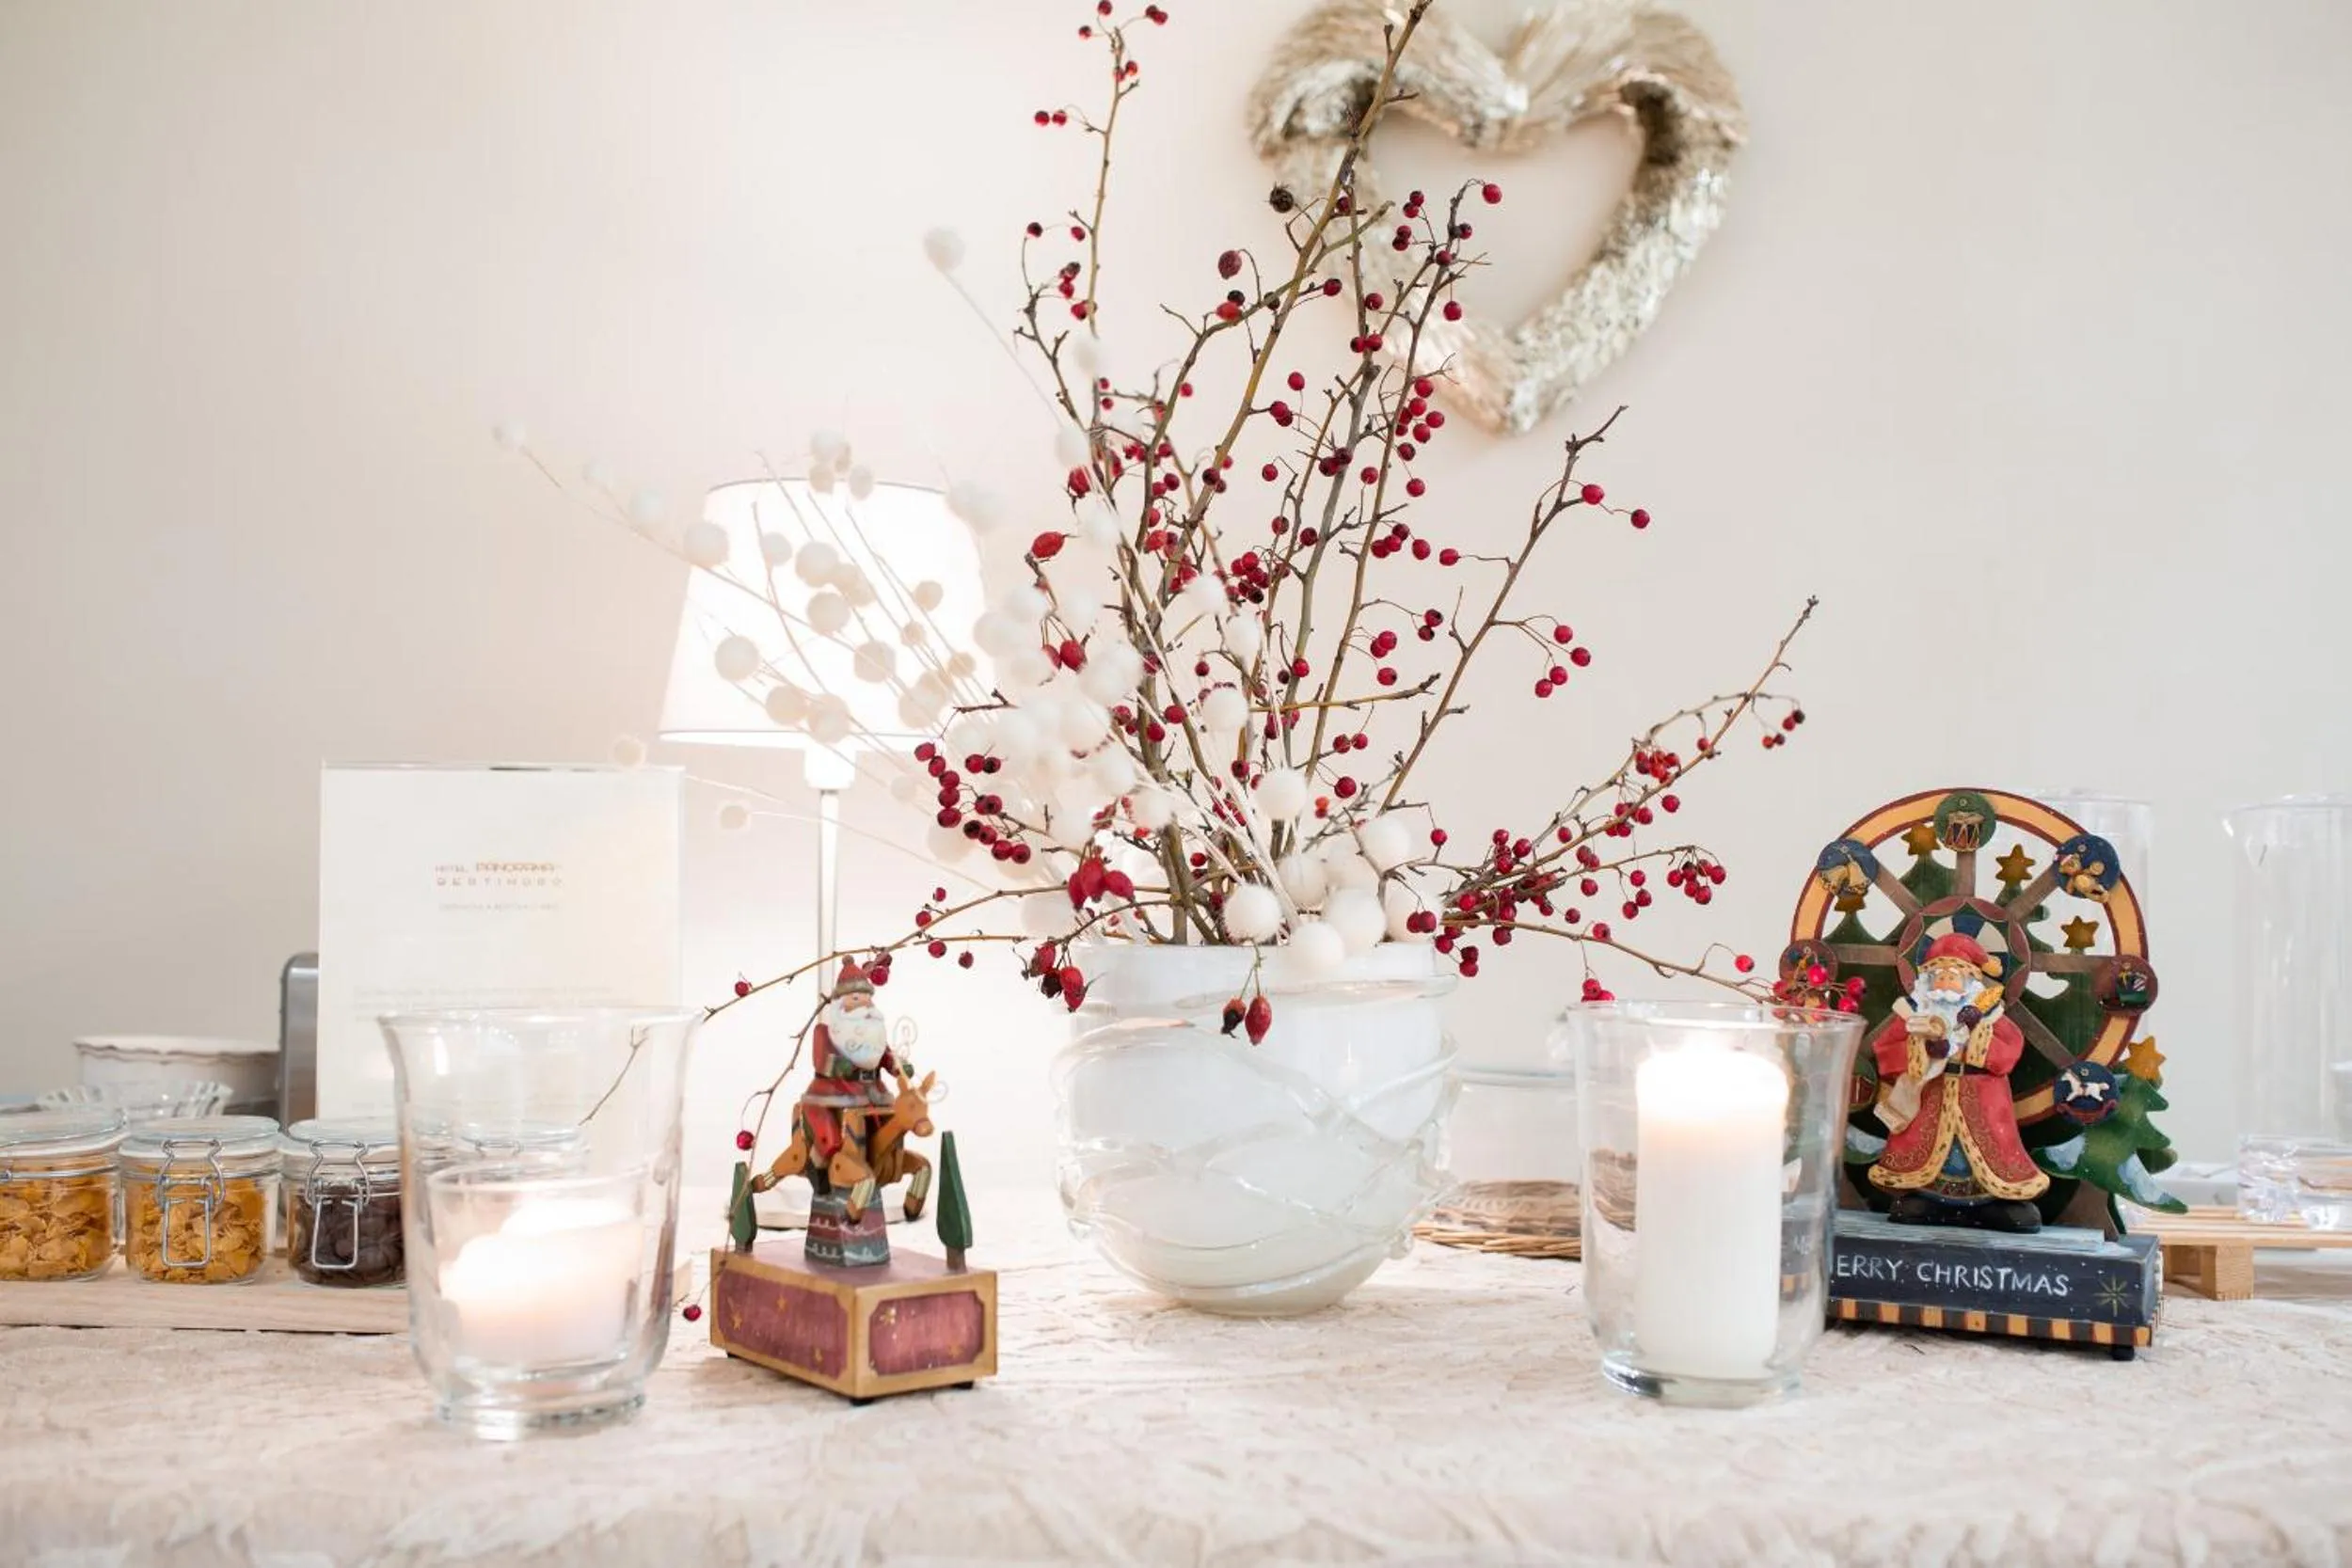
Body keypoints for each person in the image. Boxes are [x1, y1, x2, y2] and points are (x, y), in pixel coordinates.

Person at [1867, 933, 2049, 1231]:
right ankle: (1927, 1199)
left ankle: (1993, 1201)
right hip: (1930, 1094)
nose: (1945, 984)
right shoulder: (1913, 1014)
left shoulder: (1988, 1015)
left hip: (1981, 1094)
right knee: (1922, 1144)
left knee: (1989, 1145)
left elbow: (2008, 1049)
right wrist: (1922, 1050)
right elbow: (1888, 1048)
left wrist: (1975, 1035)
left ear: (1970, 983)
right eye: (1939, 977)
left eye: (1953, 977)